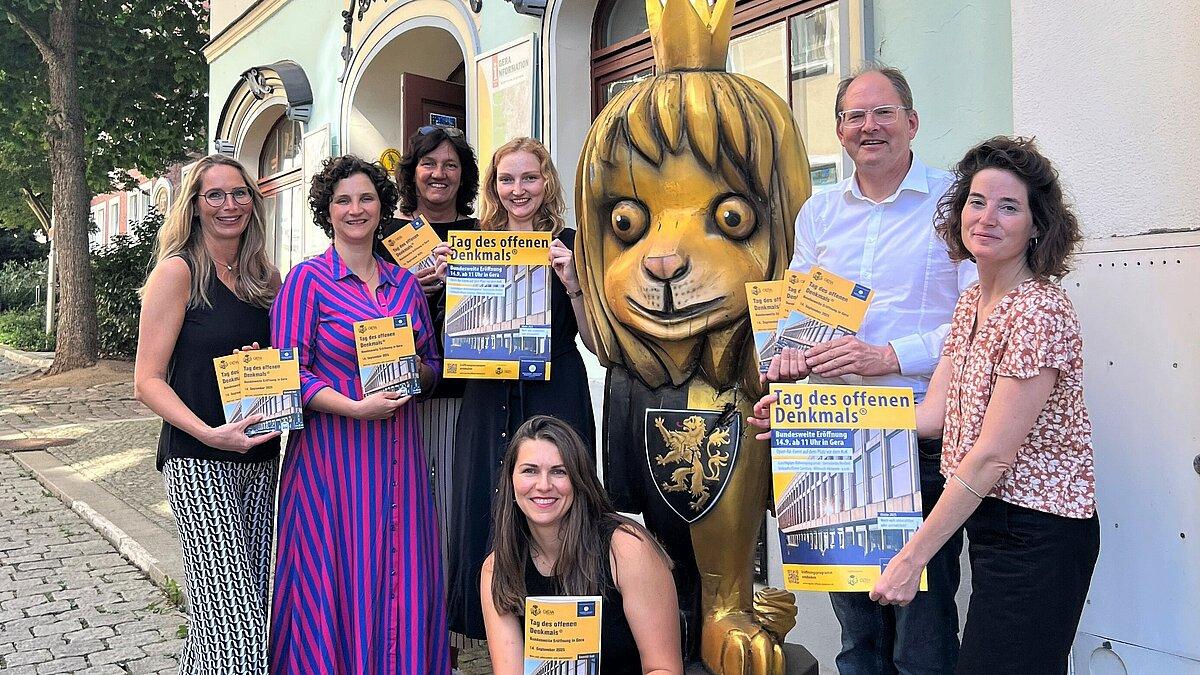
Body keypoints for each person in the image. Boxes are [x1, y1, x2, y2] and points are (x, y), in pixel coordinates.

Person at [762, 65, 976, 673]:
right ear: (839, 130)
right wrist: (788, 364)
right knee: (857, 635)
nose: (869, 127)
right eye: (855, 116)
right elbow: (797, 317)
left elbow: (973, 322)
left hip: (918, 433)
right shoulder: (820, 212)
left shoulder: (955, 203)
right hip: (832, 435)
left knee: (921, 634)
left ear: (911, 122)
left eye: (883, 113)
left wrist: (888, 356)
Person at [868, 136, 1098, 674]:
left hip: (1040, 534)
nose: (987, 217)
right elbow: (932, 417)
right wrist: (808, 421)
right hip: (992, 522)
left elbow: (991, 456)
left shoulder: (1038, 312)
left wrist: (913, 556)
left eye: (1009, 206)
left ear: (1037, 225)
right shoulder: (974, 299)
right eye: (977, 200)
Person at [269, 155, 447, 672]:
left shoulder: (406, 285)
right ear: (327, 210)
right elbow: (289, 375)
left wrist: (417, 367)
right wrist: (353, 407)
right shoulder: (307, 282)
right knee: (334, 576)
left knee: (402, 576)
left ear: (381, 206)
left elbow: (433, 365)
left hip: (400, 461)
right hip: (332, 463)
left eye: (366, 198)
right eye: (343, 200)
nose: (355, 209)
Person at [134, 154, 282, 673]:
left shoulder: (265, 276)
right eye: (214, 195)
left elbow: (284, 362)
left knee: (226, 620)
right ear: (194, 207)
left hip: (261, 461)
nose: (229, 205)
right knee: (237, 627)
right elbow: (146, 380)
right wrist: (208, 433)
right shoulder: (178, 273)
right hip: (200, 461)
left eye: (239, 193)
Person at [446, 137, 596, 641]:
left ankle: (566, 633)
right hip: (488, 396)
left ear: (547, 181)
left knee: (561, 499)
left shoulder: (573, 242)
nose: (518, 190)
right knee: (490, 503)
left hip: (556, 389)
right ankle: (498, 634)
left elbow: (598, 341)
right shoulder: (472, 240)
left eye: (528, 177)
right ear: (493, 187)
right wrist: (444, 279)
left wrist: (571, 279)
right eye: (506, 180)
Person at [481, 415, 683, 675]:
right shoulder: (497, 568)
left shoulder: (626, 548)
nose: (543, 485)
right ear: (510, 481)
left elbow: (664, 669)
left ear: (578, 479)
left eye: (559, 471)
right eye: (530, 470)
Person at [375, 124, 479, 582]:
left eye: (451, 165)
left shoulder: (483, 233)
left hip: (467, 392)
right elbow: (357, 310)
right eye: (429, 163)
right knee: (407, 514)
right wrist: (405, 293)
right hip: (399, 397)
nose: (439, 174)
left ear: (464, 175)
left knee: (461, 512)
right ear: (411, 173)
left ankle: (456, 632)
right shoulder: (383, 236)